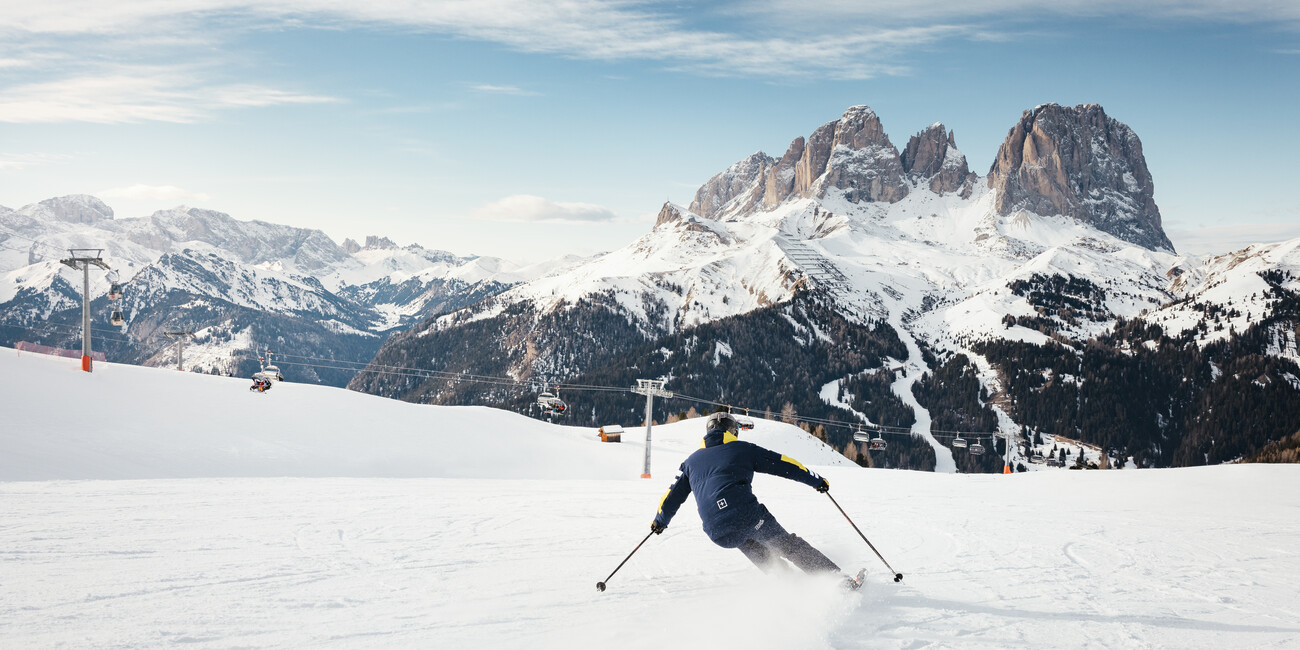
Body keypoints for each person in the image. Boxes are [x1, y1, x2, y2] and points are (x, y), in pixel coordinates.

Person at [651, 411, 860, 588]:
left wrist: (660, 522)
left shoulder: (690, 462)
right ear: (732, 431)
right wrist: (816, 481)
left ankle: (793, 587)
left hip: (717, 532)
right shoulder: (742, 449)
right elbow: (783, 464)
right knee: (787, 545)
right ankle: (838, 582)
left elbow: (670, 497)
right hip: (746, 516)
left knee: (746, 540)